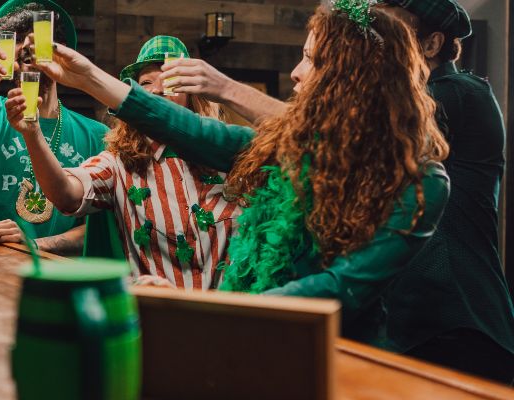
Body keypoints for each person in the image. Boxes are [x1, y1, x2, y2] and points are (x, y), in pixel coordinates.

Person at [29, 1, 455, 355]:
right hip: (244, 340)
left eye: (312, 58)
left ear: (354, 77)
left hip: (335, 357)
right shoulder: (293, 143)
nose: (296, 72)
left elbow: (340, 285)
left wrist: (205, 306)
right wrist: (89, 78)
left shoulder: (422, 182)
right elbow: (195, 132)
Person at [9, 35, 240, 289]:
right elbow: (65, 193)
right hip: (154, 316)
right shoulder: (120, 164)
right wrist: (32, 134)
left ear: (192, 95)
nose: (156, 90)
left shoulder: (229, 156)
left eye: (171, 81)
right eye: (146, 83)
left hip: (228, 319)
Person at [372, 0, 514, 384]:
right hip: (416, 328)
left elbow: (343, 140)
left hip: (457, 326)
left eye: (390, 31)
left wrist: (227, 91)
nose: (374, 41)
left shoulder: (456, 92)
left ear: (431, 44)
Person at [0, 0, 107, 254]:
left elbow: (100, 228)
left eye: (34, 53)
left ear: (60, 58)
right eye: (18, 57)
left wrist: (34, 246)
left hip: (61, 277)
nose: (25, 64)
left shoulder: (95, 134)